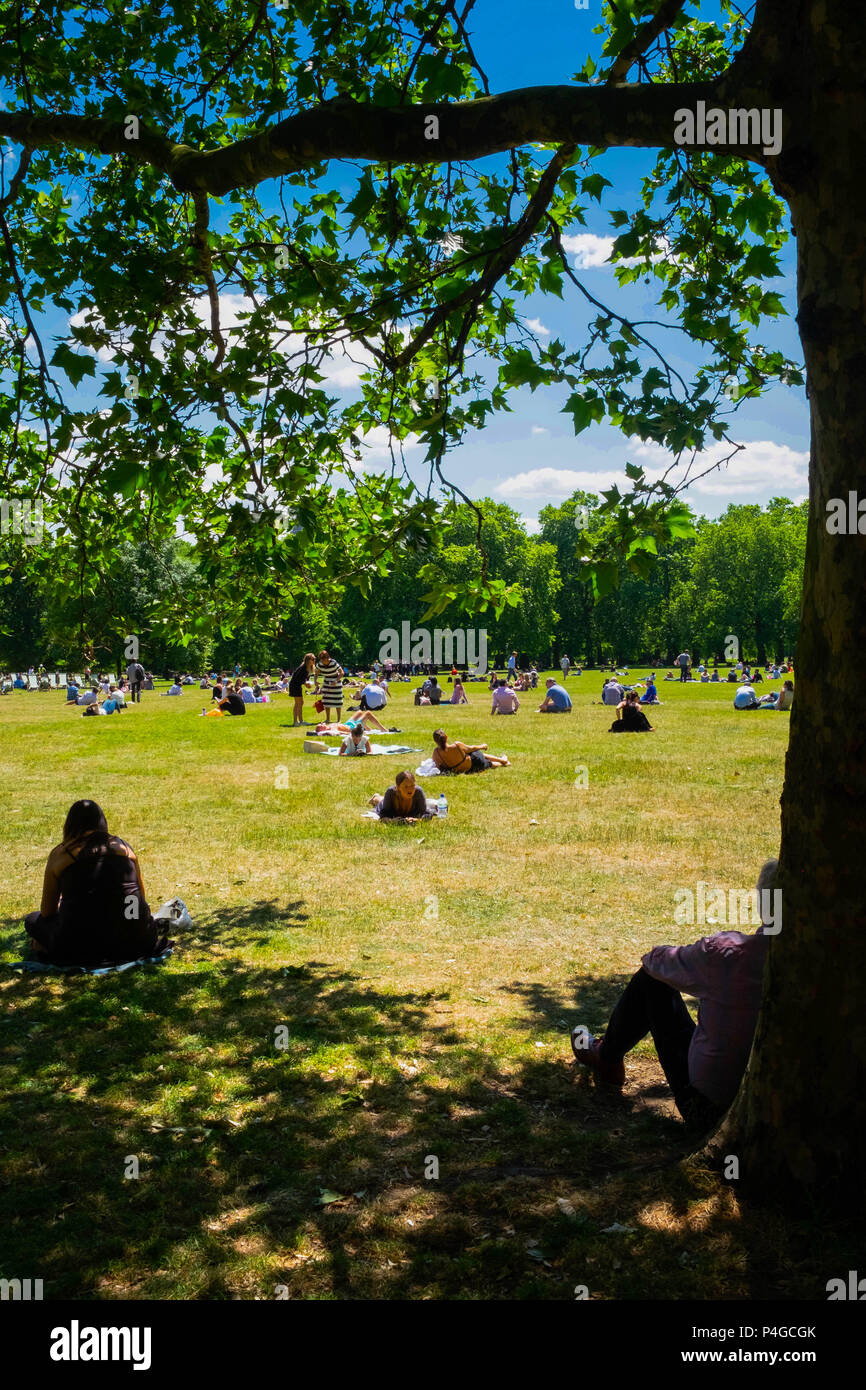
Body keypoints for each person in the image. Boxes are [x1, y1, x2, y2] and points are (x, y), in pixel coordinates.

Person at [571, 859, 778, 1131]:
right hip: (788, 1117)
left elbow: (655, 962)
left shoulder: (730, 955)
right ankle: (606, 1056)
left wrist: (702, 958)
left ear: (764, 903)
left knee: (651, 981)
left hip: (711, 1112)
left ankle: (606, 1058)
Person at [23, 800, 171, 968]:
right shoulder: (125, 849)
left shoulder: (61, 854)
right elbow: (139, 898)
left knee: (32, 920)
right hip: (137, 940)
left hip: (79, 946)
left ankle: (45, 946)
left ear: (69, 825)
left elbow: (47, 912)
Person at [431, 728, 510, 773]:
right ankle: (503, 761)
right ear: (446, 737)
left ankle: (502, 760)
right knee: (482, 757)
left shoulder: (436, 753)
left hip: (461, 771)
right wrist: (482, 746)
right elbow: (472, 748)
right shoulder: (456, 745)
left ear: (435, 741)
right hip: (473, 766)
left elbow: (438, 766)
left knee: (474, 754)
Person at [315, 649, 344, 722]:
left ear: (328, 658)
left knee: (338, 701)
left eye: (324, 659)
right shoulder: (319, 664)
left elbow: (341, 673)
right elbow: (316, 673)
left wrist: (336, 681)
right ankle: (328, 719)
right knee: (326, 702)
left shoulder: (333, 663)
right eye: (321, 660)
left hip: (336, 682)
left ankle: (339, 720)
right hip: (326, 682)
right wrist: (315, 681)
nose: (323, 662)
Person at [289, 653, 316, 726]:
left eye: (314, 659)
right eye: (312, 659)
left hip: (296, 685)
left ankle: (300, 721)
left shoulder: (306, 667)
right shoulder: (303, 667)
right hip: (295, 686)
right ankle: (296, 722)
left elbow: (301, 678)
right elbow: (297, 678)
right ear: (308, 660)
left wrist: (305, 683)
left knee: (300, 703)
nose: (314, 660)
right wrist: (305, 684)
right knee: (298, 703)